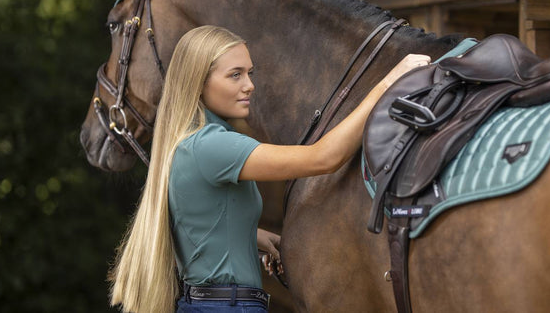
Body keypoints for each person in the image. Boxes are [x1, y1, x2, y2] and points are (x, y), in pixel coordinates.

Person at [108, 25, 430, 313]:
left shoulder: (189, 143)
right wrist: (388, 82)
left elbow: (198, 222)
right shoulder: (212, 147)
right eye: (235, 75)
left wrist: (251, 236)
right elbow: (323, 158)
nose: (249, 85)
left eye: (250, 73)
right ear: (198, 82)